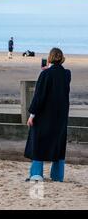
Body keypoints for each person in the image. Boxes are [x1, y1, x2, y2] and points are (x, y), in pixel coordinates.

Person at [24, 48, 71, 182]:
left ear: (49, 58)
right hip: (61, 115)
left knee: (38, 142)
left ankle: (36, 175)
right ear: (61, 58)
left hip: (45, 115)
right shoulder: (67, 74)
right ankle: (57, 176)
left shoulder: (45, 74)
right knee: (58, 144)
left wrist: (32, 115)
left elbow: (39, 96)